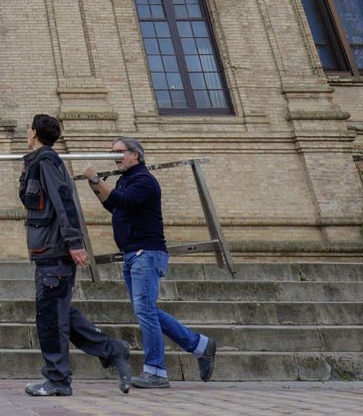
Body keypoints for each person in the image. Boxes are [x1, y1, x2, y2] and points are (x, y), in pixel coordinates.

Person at [86, 136, 217, 389]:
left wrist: (96, 179)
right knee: (147, 310)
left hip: (146, 253)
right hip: (133, 253)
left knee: (145, 310)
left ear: (135, 154)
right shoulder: (126, 180)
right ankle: (201, 345)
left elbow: (122, 201)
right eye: (112, 152)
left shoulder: (144, 180)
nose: (114, 156)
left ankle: (156, 371)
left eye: (119, 152)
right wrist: (96, 187)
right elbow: (115, 207)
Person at [20, 113, 132, 397]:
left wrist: (75, 242)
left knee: (50, 318)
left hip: (55, 251)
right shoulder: (37, 162)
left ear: (33, 133)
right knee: (58, 313)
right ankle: (112, 350)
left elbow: (64, 200)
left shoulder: (47, 162)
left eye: (28, 130)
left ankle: (58, 379)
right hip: (47, 250)